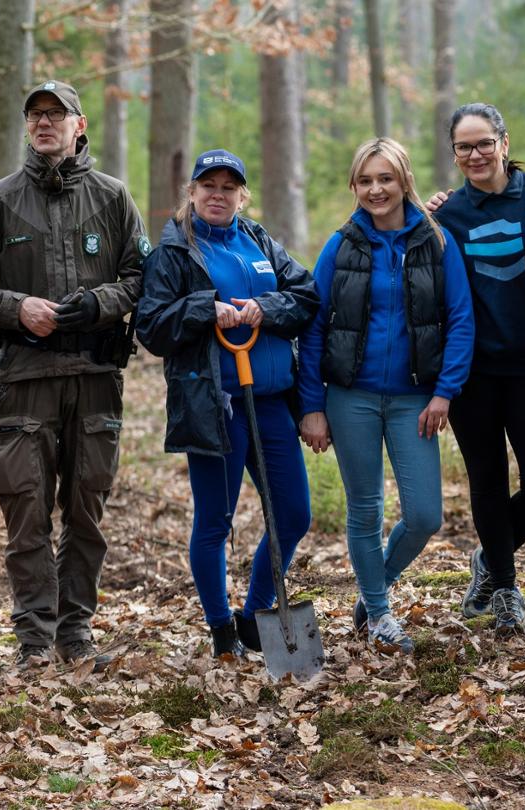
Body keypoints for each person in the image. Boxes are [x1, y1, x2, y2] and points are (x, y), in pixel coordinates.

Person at [0, 80, 146, 669]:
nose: (44, 123)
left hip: (94, 374)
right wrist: (18, 308)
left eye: (56, 115)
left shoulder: (113, 197)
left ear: (79, 125)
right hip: (24, 378)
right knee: (27, 510)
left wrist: (101, 302)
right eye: (35, 115)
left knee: (86, 509)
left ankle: (76, 629)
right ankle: (34, 636)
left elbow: (142, 277)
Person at [135, 149, 319, 659]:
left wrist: (265, 307)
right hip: (216, 404)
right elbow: (151, 326)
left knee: (294, 514)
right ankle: (221, 629)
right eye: (208, 186)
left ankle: (256, 613)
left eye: (228, 187)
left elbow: (305, 294)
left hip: (272, 404)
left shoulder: (257, 239)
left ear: (242, 194)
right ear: (191, 193)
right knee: (215, 521)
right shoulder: (174, 251)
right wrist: (204, 309)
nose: (218, 195)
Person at [297, 138, 474, 653]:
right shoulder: (341, 244)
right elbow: (313, 328)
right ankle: (379, 614)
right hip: (350, 397)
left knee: (424, 515)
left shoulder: (437, 241)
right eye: (366, 180)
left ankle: (374, 588)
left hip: (415, 399)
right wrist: (311, 406)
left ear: (404, 182)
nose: (377, 189)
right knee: (365, 509)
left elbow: (460, 320)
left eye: (386, 179)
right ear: (355, 186)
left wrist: (444, 393)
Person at [433, 103, 525, 634]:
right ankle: (505, 588)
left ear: (504, 143)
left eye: (484, 143)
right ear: (454, 153)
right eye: (464, 146)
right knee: (485, 477)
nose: (476, 154)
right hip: (474, 372)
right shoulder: (447, 214)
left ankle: (489, 557)